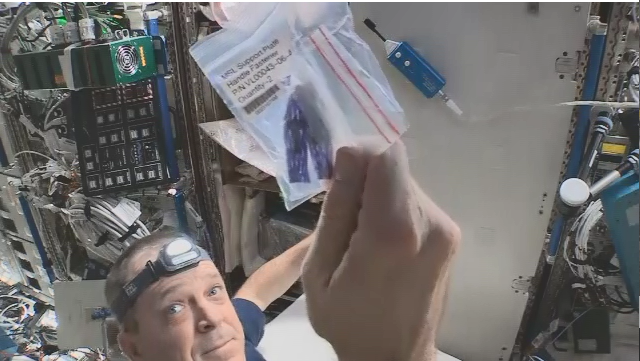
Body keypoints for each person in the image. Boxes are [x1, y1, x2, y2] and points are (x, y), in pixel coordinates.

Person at [104, 141, 460, 361]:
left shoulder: (230, 339)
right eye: (175, 309)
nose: (212, 318)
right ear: (135, 348)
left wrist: (331, 230)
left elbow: (257, 290)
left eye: (213, 291)